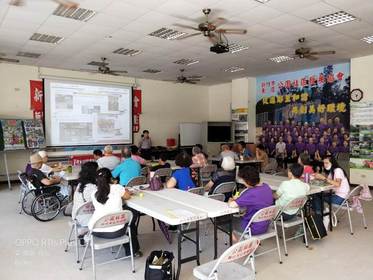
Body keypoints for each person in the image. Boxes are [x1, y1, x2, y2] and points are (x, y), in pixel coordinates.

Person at [88, 168, 141, 257]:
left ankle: (132, 248)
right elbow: (127, 196)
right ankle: (133, 251)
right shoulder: (117, 188)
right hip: (117, 231)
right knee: (131, 217)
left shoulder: (93, 193)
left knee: (124, 215)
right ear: (111, 178)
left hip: (96, 230)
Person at [228, 166, 273, 235]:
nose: (244, 184)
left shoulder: (250, 193)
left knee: (226, 222)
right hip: (265, 225)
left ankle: (238, 243)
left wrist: (230, 199)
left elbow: (232, 205)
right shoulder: (267, 187)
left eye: (244, 181)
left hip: (251, 228)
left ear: (248, 181)